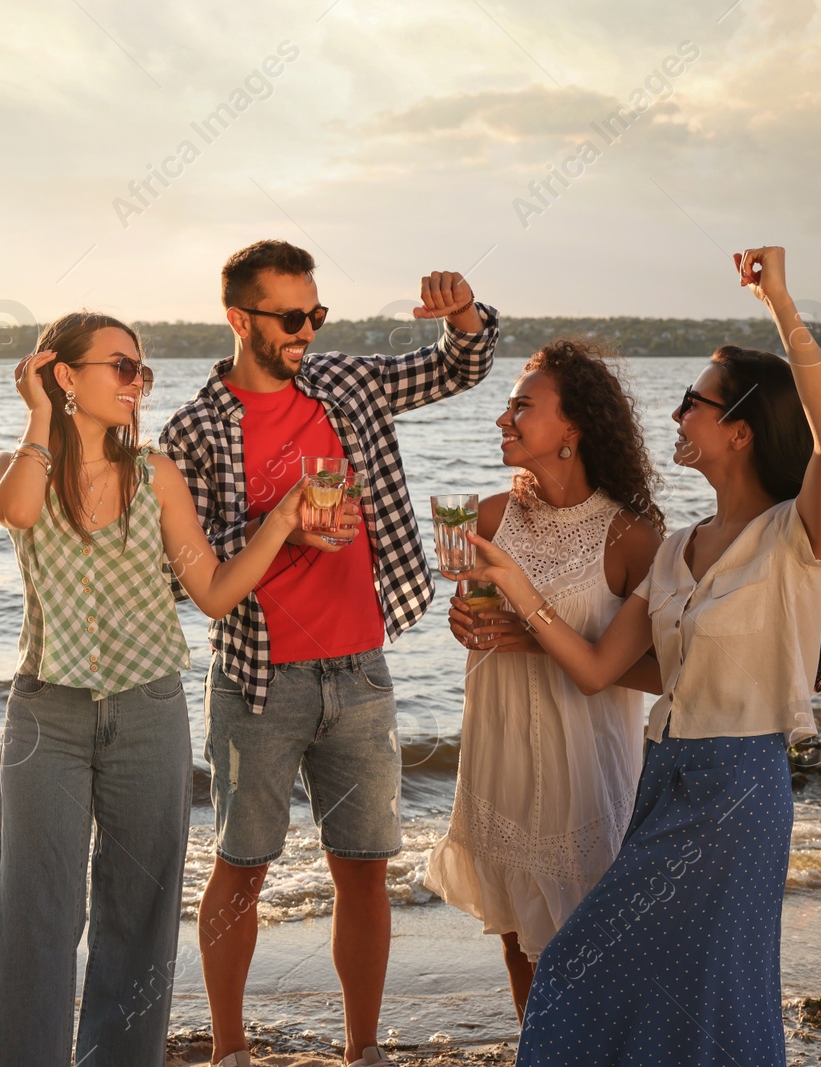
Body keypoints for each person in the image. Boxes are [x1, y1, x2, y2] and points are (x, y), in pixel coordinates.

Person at [463, 247, 821, 1066]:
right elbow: (599, 669)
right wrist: (515, 590)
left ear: (739, 429)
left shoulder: (793, 540)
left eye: (693, 401)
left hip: (739, 789)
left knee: (681, 981)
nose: (677, 416)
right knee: (625, 978)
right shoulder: (676, 549)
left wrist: (778, 299)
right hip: (663, 780)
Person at [159, 239, 501, 1067]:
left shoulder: (345, 382)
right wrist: (285, 528)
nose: (307, 328)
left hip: (360, 668)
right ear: (239, 318)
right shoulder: (195, 431)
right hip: (257, 677)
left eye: (315, 312)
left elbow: (459, 366)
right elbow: (186, 580)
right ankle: (230, 1050)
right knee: (242, 866)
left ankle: (363, 1050)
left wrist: (463, 313)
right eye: (289, 316)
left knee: (364, 870)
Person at [0, 311, 306, 1067]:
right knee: (36, 914)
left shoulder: (157, 475)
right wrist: (40, 415)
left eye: (142, 371)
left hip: (148, 710)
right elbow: (16, 511)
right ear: (65, 375)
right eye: (120, 367)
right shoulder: (16, 462)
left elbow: (215, 591)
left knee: (139, 916)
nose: (138, 383)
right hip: (46, 715)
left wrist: (283, 521)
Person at [425, 339, 665, 1023]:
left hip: (583, 771)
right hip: (500, 755)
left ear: (574, 425)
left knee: (592, 951)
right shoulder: (491, 517)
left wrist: (532, 637)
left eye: (522, 406)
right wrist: (464, 625)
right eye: (506, 406)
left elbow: (656, 670)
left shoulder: (631, 538)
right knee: (518, 945)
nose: (505, 419)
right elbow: (480, 624)